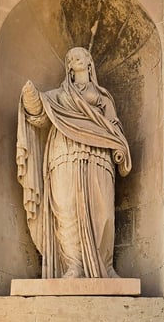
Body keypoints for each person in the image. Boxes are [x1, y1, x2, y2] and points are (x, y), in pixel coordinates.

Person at [16, 46, 132, 279]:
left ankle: (105, 266)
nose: (75, 58)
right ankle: (74, 265)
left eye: (80, 55)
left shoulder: (102, 97)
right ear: (68, 66)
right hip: (64, 152)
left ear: (89, 62)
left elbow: (113, 125)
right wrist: (31, 98)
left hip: (98, 153)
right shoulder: (58, 96)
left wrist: (118, 143)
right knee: (66, 209)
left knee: (103, 211)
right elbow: (40, 115)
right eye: (71, 57)